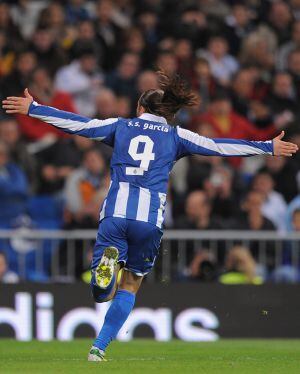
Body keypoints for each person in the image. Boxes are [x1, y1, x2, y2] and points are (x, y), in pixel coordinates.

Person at [2, 70, 297, 361]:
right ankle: (99, 348)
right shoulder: (176, 135)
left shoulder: (121, 126)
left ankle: (106, 269)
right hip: (149, 220)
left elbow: (79, 125)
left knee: (100, 293)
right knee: (131, 284)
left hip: (116, 211)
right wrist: (267, 147)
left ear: (140, 108)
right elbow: (219, 146)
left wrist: (35, 109)